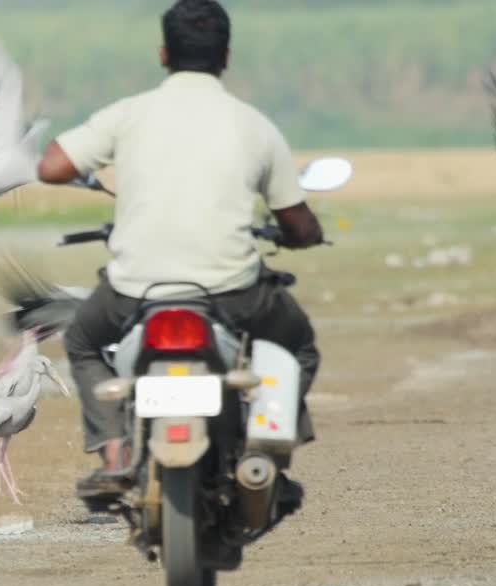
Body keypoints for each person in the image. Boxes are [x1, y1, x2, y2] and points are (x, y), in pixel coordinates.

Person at [35, 0, 325, 510]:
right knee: (298, 343)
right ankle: (267, 449)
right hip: (232, 292)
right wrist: (305, 234)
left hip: (135, 291)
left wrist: (102, 173)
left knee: (82, 340)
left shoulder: (128, 115)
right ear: (226, 56)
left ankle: (115, 459)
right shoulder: (254, 125)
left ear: (164, 53)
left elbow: (52, 165)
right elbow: (297, 222)